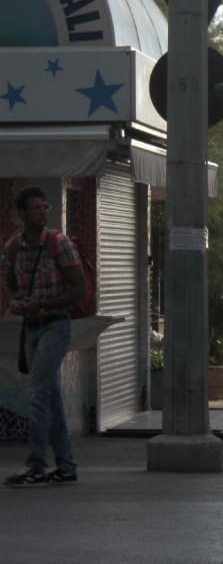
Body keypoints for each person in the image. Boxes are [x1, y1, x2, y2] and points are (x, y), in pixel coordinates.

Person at [3, 187, 87, 487]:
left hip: (56, 325)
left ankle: (36, 466)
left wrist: (42, 304)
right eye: (36, 208)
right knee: (49, 397)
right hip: (32, 327)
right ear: (22, 214)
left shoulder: (58, 243)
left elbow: (80, 290)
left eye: (45, 206)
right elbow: (11, 283)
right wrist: (17, 302)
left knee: (38, 394)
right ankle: (66, 466)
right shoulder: (14, 248)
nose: (42, 212)